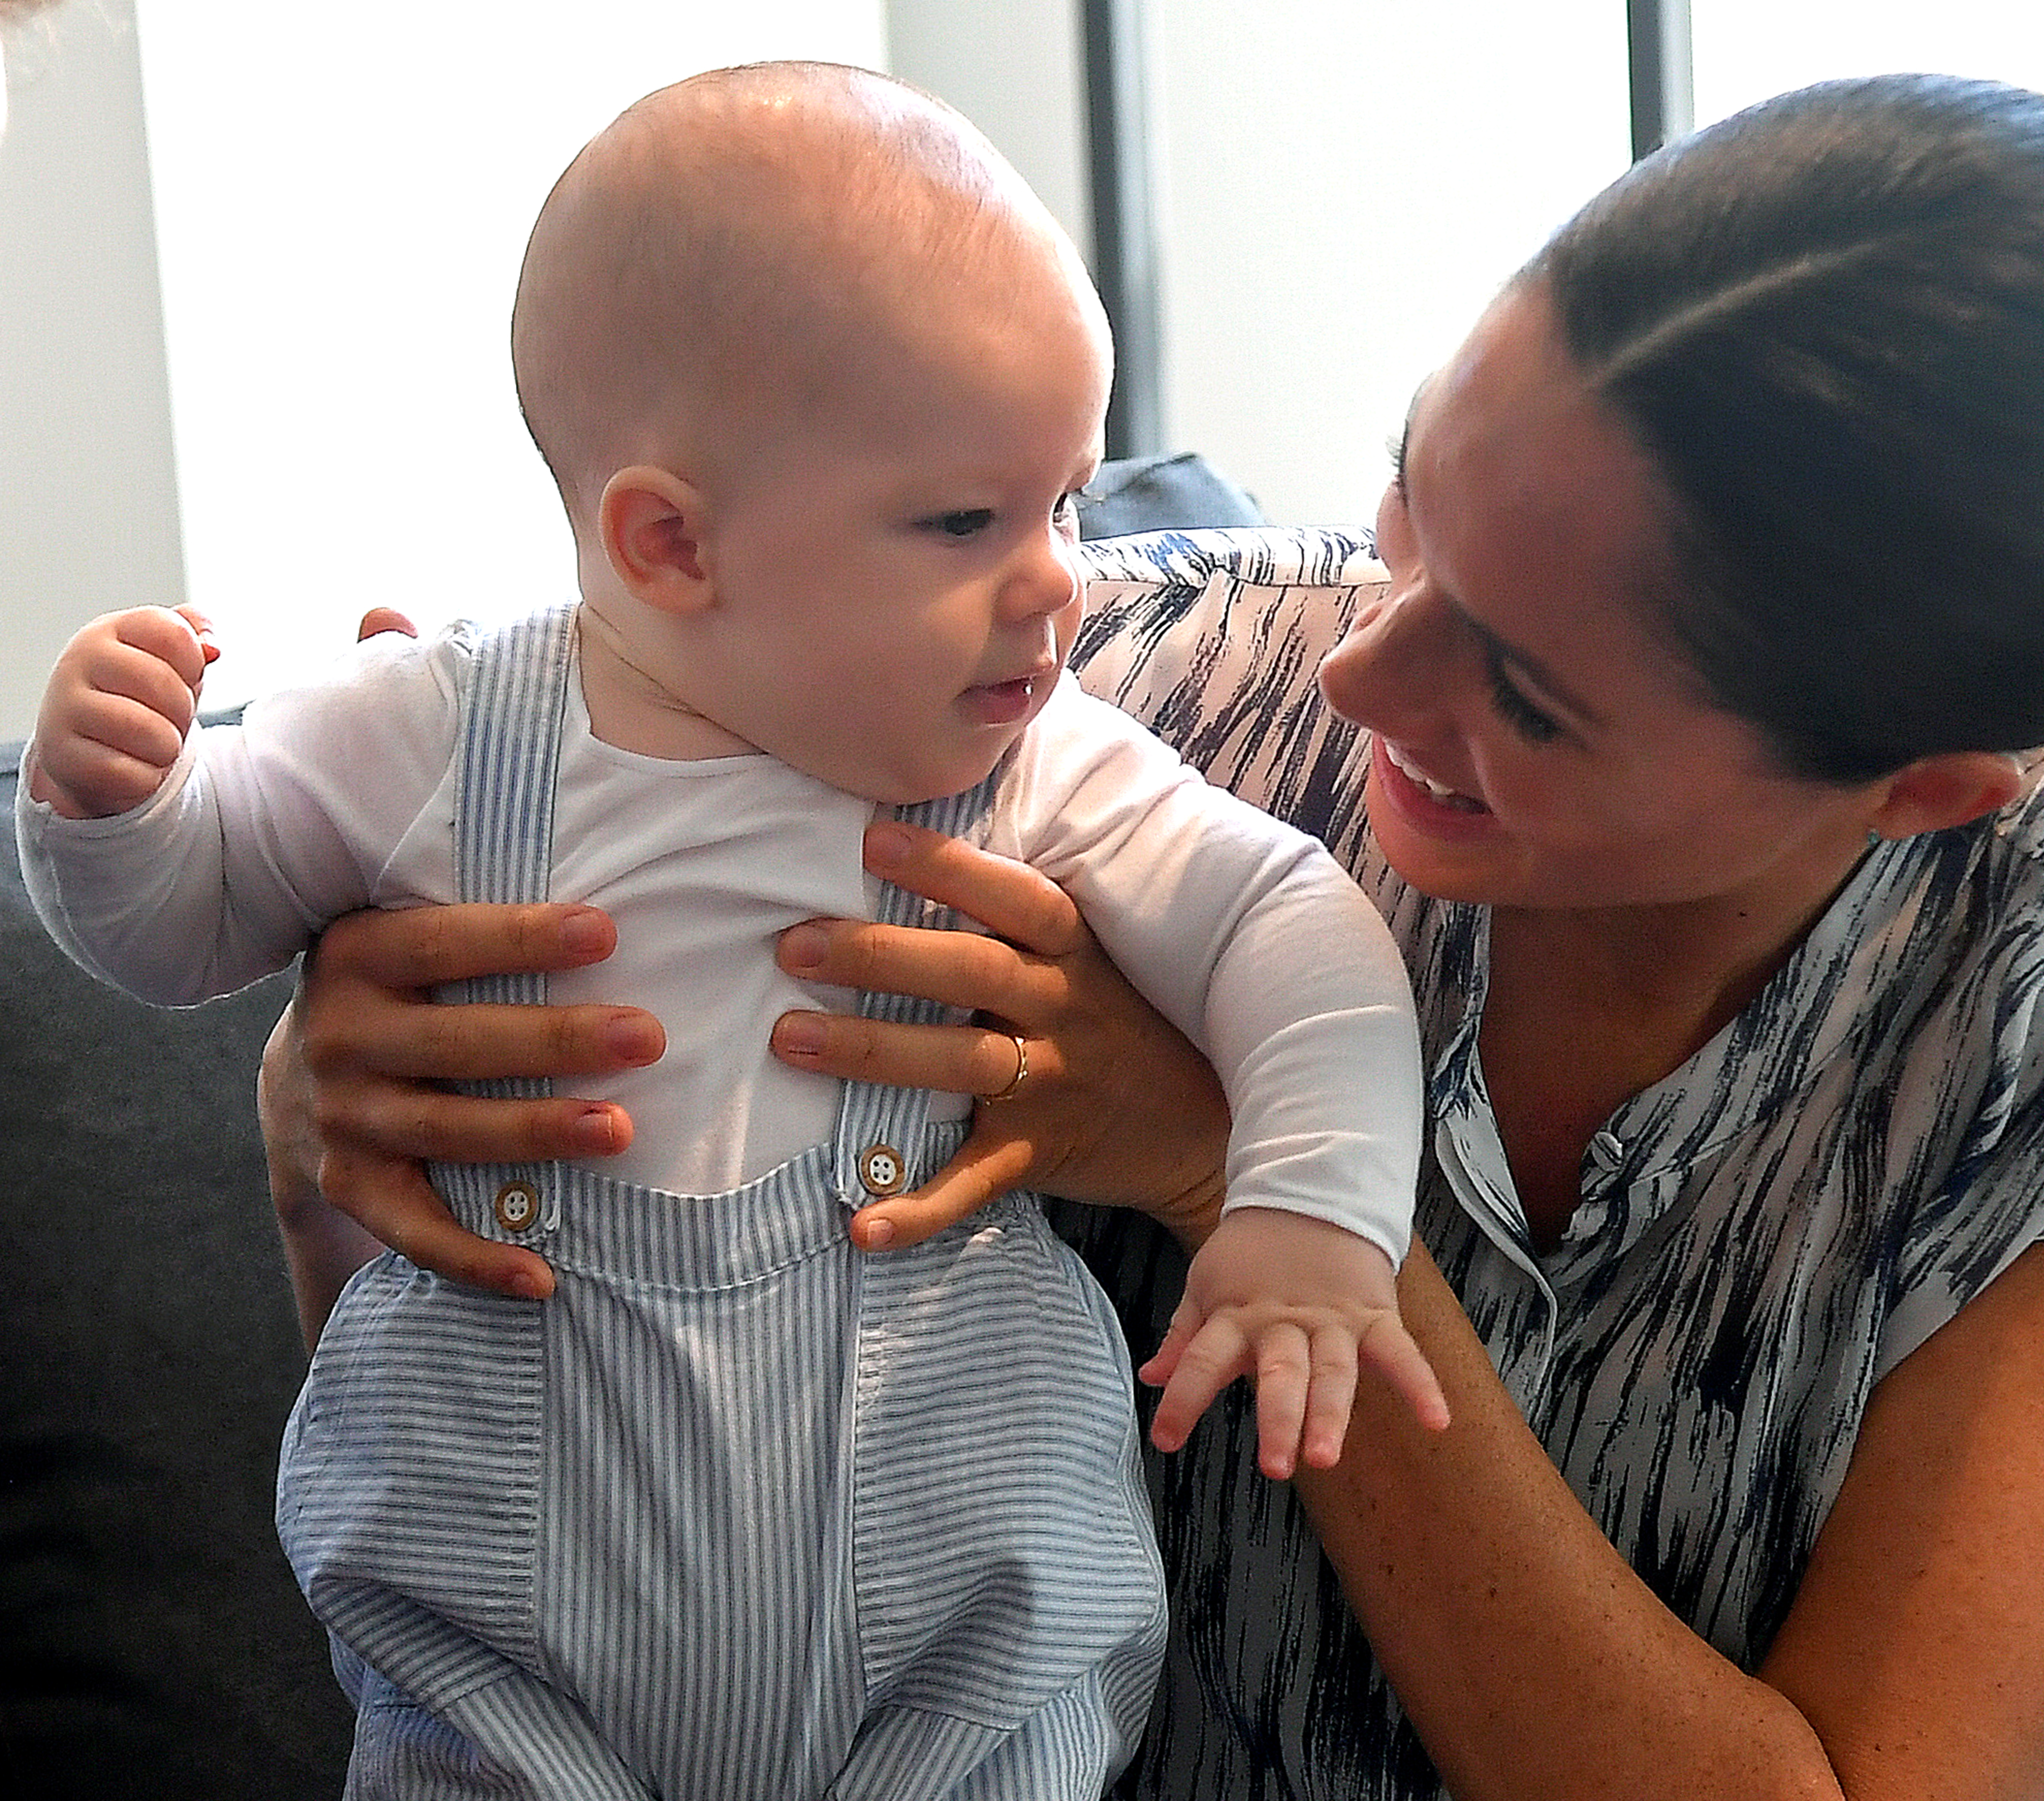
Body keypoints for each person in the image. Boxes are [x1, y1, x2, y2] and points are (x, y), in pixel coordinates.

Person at [254, 72, 2044, 1801]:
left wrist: (1243, 1167)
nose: (1361, 675)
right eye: (1412, 504)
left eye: (1529, 691)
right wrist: (352, 1057)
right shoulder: (1114, 678)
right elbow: (580, 760)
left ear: (1932, 775)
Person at [16, 61, 1447, 1801]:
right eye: (965, 520)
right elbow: (177, 930)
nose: (1062, 579)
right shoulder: (430, 729)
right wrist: (112, 810)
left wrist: (1312, 1211)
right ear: (669, 542)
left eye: (1068, 501)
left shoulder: (1040, 754)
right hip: (511, 1639)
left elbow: (1287, 919)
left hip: (958, 1617)